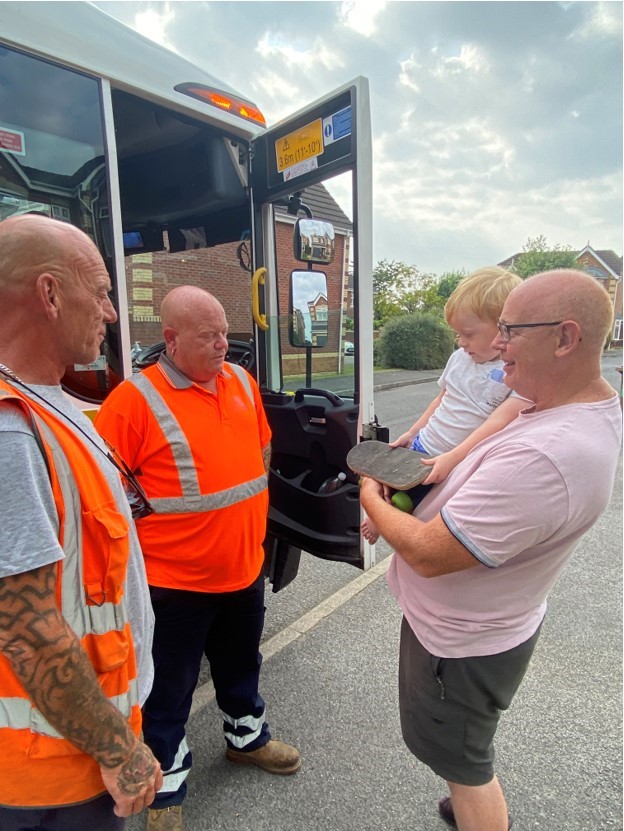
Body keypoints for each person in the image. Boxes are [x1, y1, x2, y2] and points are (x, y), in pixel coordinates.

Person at [360, 269, 622, 831]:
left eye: (511, 330)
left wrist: (370, 493)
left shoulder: (549, 455)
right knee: (462, 748)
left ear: (565, 338)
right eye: (497, 328)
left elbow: (429, 552)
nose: (496, 346)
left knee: (465, 762)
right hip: (472, 630)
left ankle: (478, 813)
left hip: (461, 646)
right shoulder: (550, 405)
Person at [95, 286, 300, 831]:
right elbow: (103, 493)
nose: (222, 345)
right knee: (169, 688)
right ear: (171, 339)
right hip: (175, 584)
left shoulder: (240, 382)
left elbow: (260, 452)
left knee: (241, 667)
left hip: (243, 567)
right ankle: (163, 790)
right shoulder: (134, 402)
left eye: (225, 333)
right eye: (208, 336)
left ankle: (246, 739)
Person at [0, 214, 162, 830]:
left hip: (74, 747)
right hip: (51, 775)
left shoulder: (52, 402)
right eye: (99, 293)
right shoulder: (10, 432)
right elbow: (26, 628)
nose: (111, 313)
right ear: (48, 294)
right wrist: (118, 752)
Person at [362, 266, 527, 543]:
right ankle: (383, 508)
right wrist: (412, 433)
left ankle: (385, 516)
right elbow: (442, 398)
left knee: (414, 502)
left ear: (503, 329)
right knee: (387, 480)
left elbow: (498, 422)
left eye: (468, 333)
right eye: (456, 334)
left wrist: (453, 458)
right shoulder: (460, 359)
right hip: (425, 444)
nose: (461, 342)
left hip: (455, 459)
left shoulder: (514, 371)